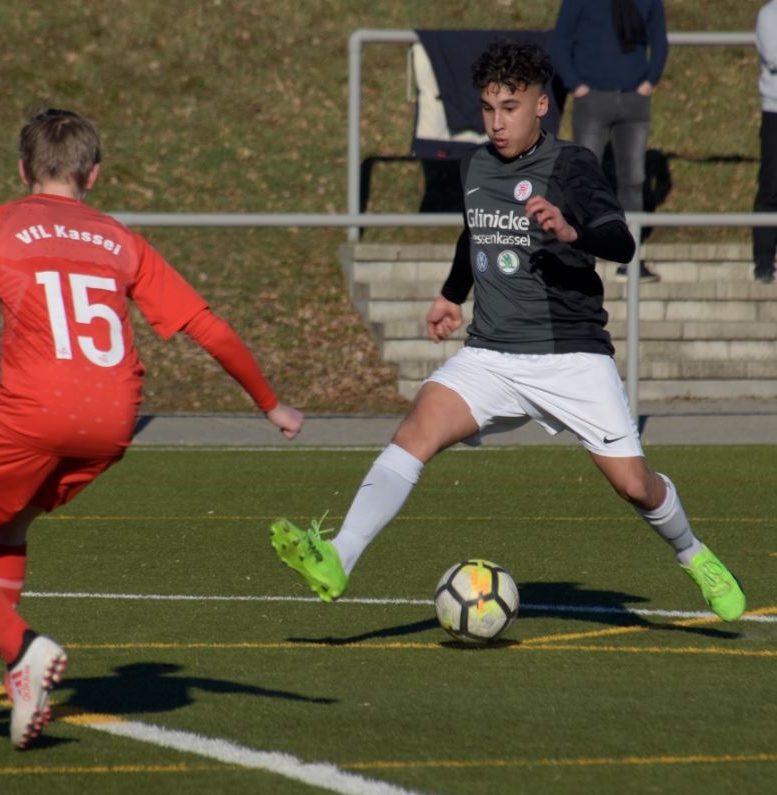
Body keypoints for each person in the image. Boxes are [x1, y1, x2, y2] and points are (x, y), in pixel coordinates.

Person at [0, 108, 304, 750]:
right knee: (4, 530)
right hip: (112, 420)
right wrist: (270, 404)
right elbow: (209, 327)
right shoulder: (120, 238)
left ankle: (22, 649)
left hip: (31, 409)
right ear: (94, 174)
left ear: (22, 170)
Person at [270, 40, 745, 626]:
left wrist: (572, 232)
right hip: (491, 355)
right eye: (488, 108)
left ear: (542, 106)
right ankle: (338, 557)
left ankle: (693, 553)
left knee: (635, 486)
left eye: (510, 108)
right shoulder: (476, 166)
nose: (497, 123)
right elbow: (475, 232)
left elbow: (621, 241)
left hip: (570, 356)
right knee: (417, 429)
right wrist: (452, 294)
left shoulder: (571, 165)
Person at [549, 0, 668, 283]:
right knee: (582, 178)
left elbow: (659, 41)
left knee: (633, 180)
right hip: (591, 99)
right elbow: (560, 41)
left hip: (634, 100)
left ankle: (630, 259)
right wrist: (576, 84)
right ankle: (580, 256)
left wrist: (650, 80)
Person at [753, 0, 777, 285]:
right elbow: (774, 56)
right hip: (775, 111)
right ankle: (763, 260)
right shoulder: (769, 14)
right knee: (771, 186)